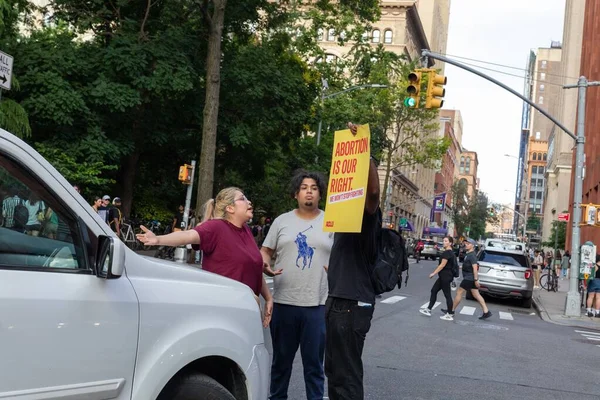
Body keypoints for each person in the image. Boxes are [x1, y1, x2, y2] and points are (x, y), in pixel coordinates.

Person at [136, 187, 273, 327]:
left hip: (248, 311)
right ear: (230, 208)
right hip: (224, 313)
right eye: (242, 198)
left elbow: (254, 267)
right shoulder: (215, 228)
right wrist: (158, 239)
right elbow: (189, 235)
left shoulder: (246, 230)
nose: (249, 202)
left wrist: (268, 298)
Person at [261, 170, 333, 400]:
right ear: (296, 194)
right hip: (284, 303)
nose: (309, 191)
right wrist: (264, 264)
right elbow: (265, 252)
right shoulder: (282, 221)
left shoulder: (332, 221)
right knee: (281, 365)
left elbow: (343, 254)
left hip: (317, 305)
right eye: (304, 187)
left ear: (320, 193)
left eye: (313, 187)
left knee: (314, 368)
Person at [325, 122, 380, 400]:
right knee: (334, 373)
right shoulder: (343, 212)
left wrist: (365, 155)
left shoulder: (367, 215)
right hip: (338, 300)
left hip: (350, 304)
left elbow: (372, 195)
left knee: (345, 377)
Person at [449, 238, 492, 320]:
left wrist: (476, 280)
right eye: (466, 243)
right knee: (477, 295)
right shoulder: (468, 254)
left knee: (459, 292)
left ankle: (451, 311)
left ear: (472, 245)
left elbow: (475, 269)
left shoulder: (472, 255)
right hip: (470, 278)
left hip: (469, 278)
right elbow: (468, 266)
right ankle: (486, 312)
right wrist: (459, 267)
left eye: (468, 244)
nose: (466, 245)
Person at [419, 236, 456, 321]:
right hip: (445, 276)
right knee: (434, 290)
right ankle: (428, 309)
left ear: (450, 243)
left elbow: (442, 265)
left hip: (445, 276)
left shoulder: (447, 253)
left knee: (447, 295)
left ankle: (449, 314)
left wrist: (433, 273)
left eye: (446, 241)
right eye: (443, 240)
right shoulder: (451, 253)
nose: (443, 242)